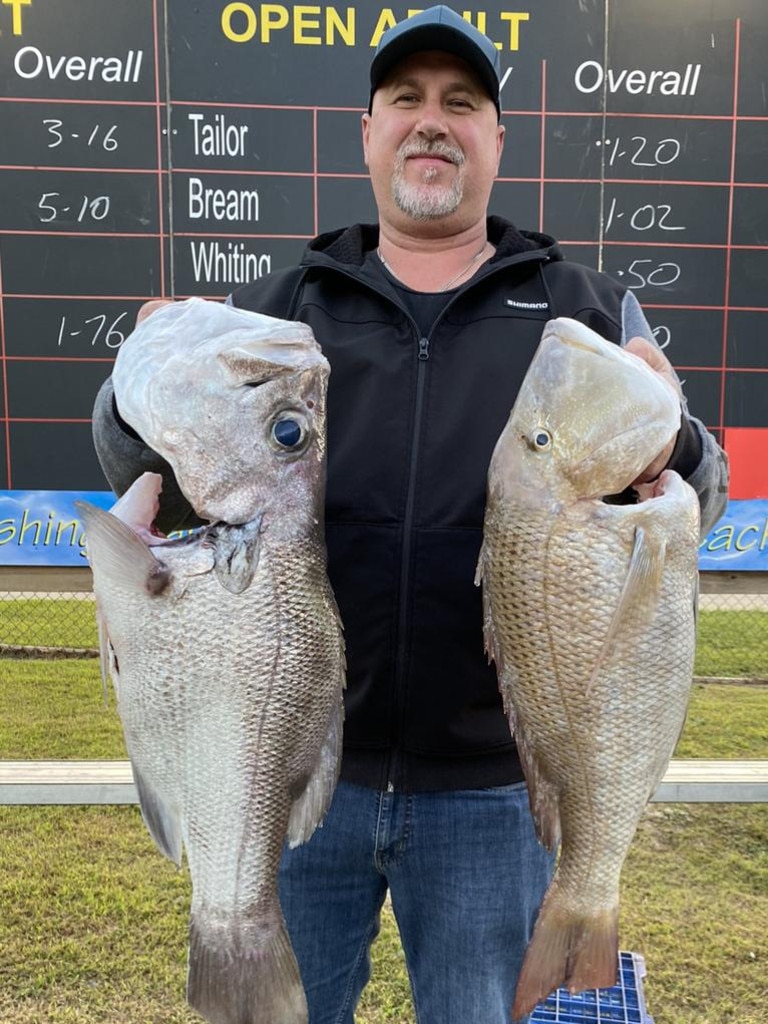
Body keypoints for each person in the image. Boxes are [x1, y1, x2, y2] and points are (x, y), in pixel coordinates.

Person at [93, 6, 729, 1022]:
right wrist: (131, 390)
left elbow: (704, 492)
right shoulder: (284, 304)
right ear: (370, 131)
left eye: (461, 104)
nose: (431, 122)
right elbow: (153, 469)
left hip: (491, 786)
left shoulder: (585, 311)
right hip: (297, 773)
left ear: (496, 140)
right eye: (407, 101)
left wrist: (680, 450)